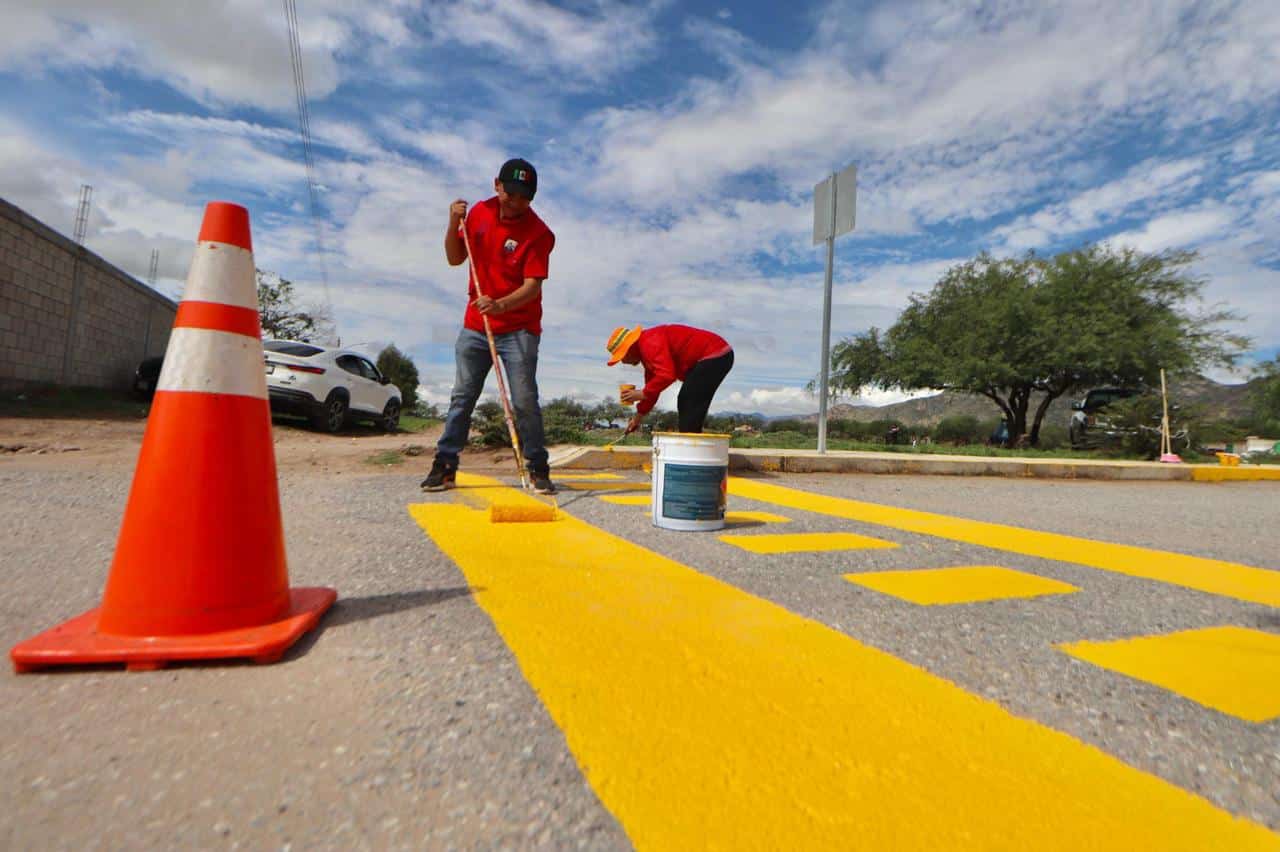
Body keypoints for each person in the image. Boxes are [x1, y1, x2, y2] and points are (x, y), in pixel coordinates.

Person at [421, 158, 557, 494]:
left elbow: (532, 286)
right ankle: (445, 466)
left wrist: (500, 304)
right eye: (511, 194)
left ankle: (538, 467)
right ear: (497, 185)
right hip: (476, 324)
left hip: (520, 328)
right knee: (463, 396)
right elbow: (455, 258)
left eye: (525, 197)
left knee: (524, 399)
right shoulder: (477, 214)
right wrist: (453, 221)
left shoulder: (539, 234)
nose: (516, 203)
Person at [605, 324, 734, 435]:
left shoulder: (650, 342)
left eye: (622, 357)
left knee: (688, 400)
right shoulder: (647, 355)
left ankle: (691, 451)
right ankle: (692, 447)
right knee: (689, 400)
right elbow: (652, 389)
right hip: (714, 356)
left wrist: (642, 393)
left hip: (715, 354)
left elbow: (666, 376)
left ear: (629, 348)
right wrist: (637, 418)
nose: (623, 361)